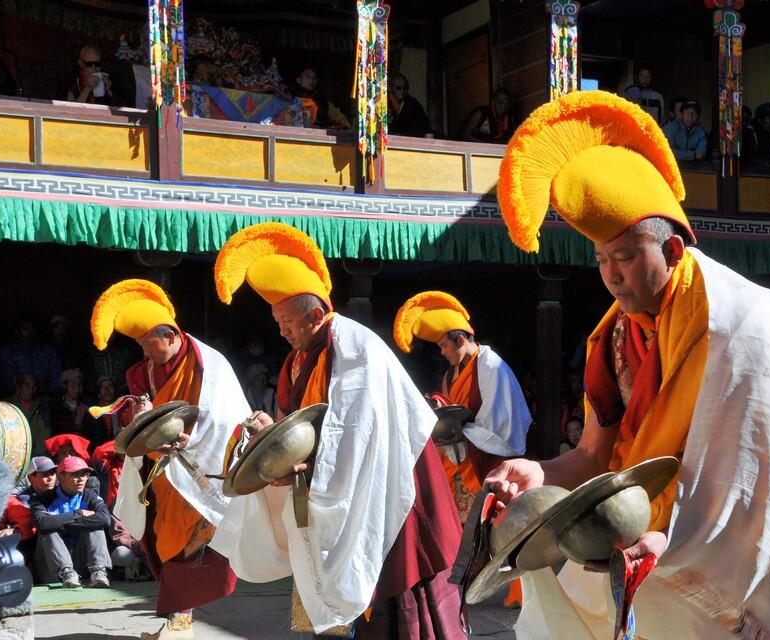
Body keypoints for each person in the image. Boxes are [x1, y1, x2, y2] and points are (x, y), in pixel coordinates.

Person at [489, 90, 770, 638]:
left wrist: (673, 539)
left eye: (625, 257)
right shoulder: (616, 339)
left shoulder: (747, 329)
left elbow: (768, 485)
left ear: (672, 251)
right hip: (662, 541)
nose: (612, 277)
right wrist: (542, 473)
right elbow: (595, 454)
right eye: (601, 260)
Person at [210, 222, 464, 638]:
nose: (281, 330)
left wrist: (309, 467)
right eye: (277, 321)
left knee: (395, 585)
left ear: (315, 314)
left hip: (388, 480)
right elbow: (302, 422)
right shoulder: (299, 358)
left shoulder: (354, 346)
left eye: (287, 320)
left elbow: (355, 432)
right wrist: (271, 434)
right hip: (335, 477)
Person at [91, 279, 249, 639]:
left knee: (194, 543)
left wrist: (191, 440)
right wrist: (141, 416)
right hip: (161, 470)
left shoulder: (209, 364)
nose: (146, 352)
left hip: (200, 466)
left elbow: (226, 415)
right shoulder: (142, 371)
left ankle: (179, 621)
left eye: (150, 344)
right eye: (141, 345)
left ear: (171, 335)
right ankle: (180, 621)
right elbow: (142, 414)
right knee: (165, 540)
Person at [392, 290, 532, 522]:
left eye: (444, 346)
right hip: (457, 453)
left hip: (482, 457)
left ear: (460, 340)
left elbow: (499, 422)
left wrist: (463, 430)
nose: (442, 353)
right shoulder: (451, 374)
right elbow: (452, 408)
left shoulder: (490, 365)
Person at [31, 455, 112, 588]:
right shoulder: (42, 499)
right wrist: (79, 513)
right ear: (61, 476)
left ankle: (98, 572)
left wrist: (58, 520)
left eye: (84, 474)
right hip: (51, 569)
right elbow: (43, 524)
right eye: (75, 475)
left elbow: (105, 519)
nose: (81, 479)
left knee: (96, 527)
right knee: (49, 530)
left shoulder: (89, 495)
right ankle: (66, 572)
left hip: (83, 563)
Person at [0, 318, 62, 396]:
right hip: (17, 398)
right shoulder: (9, 351)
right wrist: (21, 393)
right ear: (17, 332)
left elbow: (56, 374)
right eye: (25, 329)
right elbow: (7, 378)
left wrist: (48, 392)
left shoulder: (47, 350)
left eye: (32, 329)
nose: (29, 332)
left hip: (44, 397)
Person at [50, 369, 106, 449]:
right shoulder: (56, 408)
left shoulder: (90, 406)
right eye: (73, 385)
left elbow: (98, 433)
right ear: (64, 386)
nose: (77, 388)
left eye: (80, 385)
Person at [6, 373, 51, 457]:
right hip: (13, 454)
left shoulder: (42, 407)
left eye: (34, 386)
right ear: (18, 388)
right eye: (27, 385)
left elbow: (43, 434)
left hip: (35, 456)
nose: (30, 389)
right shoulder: (7, 406)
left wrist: (37, 458)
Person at [388, 72, 431, 137]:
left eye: (405, 88)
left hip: (409, 140)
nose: (402, 91)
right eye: (398, 88)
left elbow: (427, 129)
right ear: (390, 87)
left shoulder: (413, 104)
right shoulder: (383, 103)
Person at [742, 102, 770, 167]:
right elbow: (748, 158)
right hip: (753, 171)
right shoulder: (749, 133)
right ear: (759, 119)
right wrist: (767, 165)